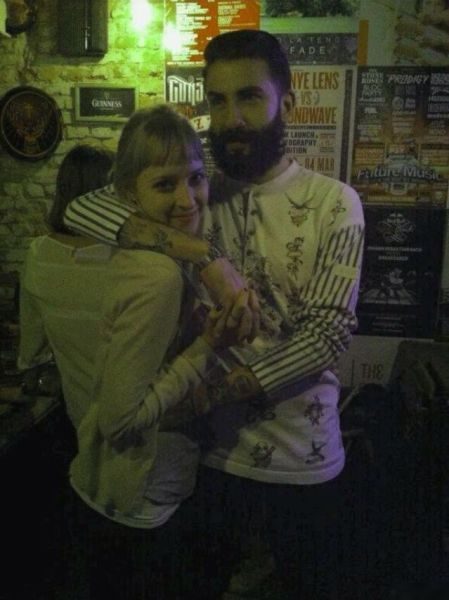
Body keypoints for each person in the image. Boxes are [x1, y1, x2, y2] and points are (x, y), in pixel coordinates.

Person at [63, 30, 365, 599]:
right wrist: (207, 257)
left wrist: (208, 396)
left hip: (302, 459)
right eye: (218, 101)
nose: (232, 119)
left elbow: (326, 335)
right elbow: (83, 207)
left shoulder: (335, 202)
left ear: (288, 103)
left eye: (249, 97)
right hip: (210, 463)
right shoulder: (200, 193)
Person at [18, 117, 249, 600]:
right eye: (164, 185)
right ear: (127, 195)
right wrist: (207, 348)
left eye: (196, 178)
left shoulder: (142, 255)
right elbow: (121, 419)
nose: (187, 199)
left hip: (110, 486)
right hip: (144, 498)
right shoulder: (158, 276)